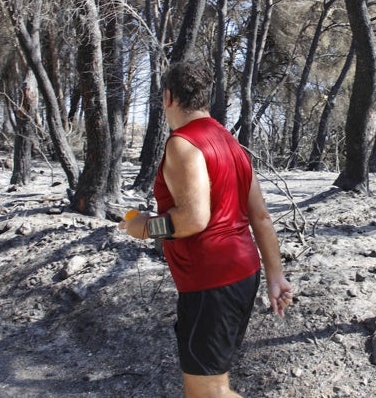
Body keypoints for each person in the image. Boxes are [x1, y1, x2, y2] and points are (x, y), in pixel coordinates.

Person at [119, 61, 293, 397]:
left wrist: (140, 227)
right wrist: (275, 275)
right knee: (204, 384)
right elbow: (261, 216)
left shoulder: (182, 144)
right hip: (243, 273)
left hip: (211, 282)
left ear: (168, 96)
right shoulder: (230, 142)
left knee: (209, 392)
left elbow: (194, 219)